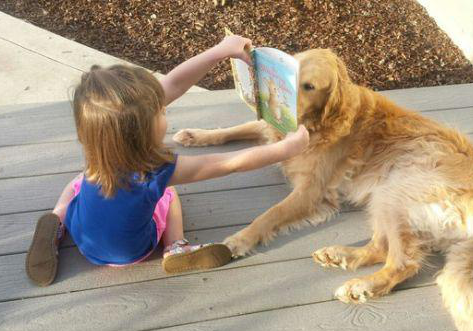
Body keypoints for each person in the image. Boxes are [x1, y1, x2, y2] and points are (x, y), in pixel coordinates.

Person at [25, 35, 310, 286]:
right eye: (161, 112)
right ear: (144, 128)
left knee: (79, 181)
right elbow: (229, 163)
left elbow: (173, 83)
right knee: (169, 195)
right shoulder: (157, 171)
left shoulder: (97, 141)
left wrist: (221, 50)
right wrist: (286, 148)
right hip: (132, 252)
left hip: (84, 237)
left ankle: (56, 219)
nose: (165, 111)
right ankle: (175, 246)